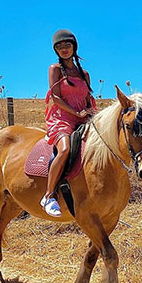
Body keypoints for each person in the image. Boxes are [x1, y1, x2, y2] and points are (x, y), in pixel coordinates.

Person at [40, 29, 96, 217]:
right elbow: (55, 97)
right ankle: (49, 195)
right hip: (61, 118)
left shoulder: (84, 73)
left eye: (67, 45)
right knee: (64, 149)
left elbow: (88, 98)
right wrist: (76, 112)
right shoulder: (54, 69)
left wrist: (89, 112)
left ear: (74, 46)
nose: (64, 49)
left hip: (82, 118)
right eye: (59, 46)